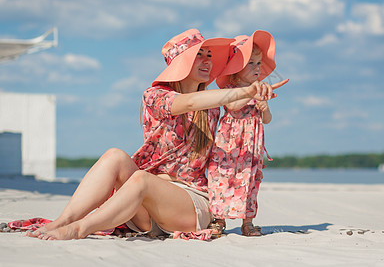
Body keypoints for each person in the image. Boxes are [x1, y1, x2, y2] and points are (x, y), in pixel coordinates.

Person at [27, 29, 288, 240]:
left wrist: (248, 91)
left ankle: (79, 229)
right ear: (182, 63)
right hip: (147, 202)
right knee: (115, 156)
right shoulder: (155, 96)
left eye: (209, 55)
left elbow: (224, 112)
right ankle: (63, 221)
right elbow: (187, 103)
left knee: (141, 179)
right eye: (200, 55)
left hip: (190, 202)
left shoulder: (212, 105)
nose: (208, 61)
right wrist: (246, 91)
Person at [208, 30, 277, 236]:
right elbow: (233, 105)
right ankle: (219, 219)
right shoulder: (231, 88)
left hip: (251, 145)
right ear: (236, 69)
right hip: (230, 142)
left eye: (258, 64)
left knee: (250, 179)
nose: (257, 68)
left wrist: (265, 109)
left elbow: (267, 120)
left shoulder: (260, 89)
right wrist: (250, 94)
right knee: (223, 176)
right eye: (251, 64)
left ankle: (247, 222)